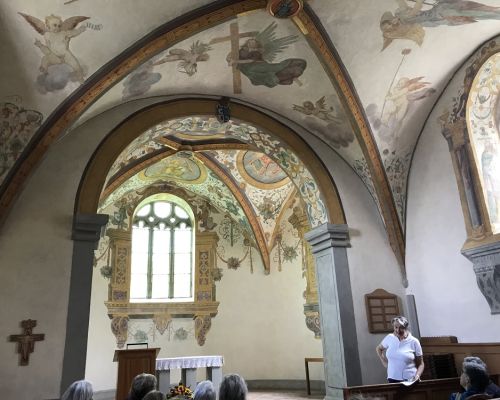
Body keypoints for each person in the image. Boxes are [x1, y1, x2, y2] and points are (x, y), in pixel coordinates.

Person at [376, 316, 424, 383]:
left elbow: (421, 364)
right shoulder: (389, 337)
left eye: (401, 328)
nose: (398, 330)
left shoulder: (414, 341)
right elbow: (378, 348)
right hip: (392, 378)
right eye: (396, 327)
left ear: (406, 327)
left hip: (410, 379)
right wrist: (384, 362)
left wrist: (417, 376)